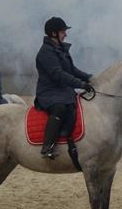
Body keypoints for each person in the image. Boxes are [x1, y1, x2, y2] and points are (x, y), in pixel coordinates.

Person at [34, 17, 94, 159]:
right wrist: (80, 84)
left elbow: (72, 70)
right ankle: (47, 146)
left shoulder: (61, 49)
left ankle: (70, 140)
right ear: (54, 33)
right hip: (49, 92)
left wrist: (90, 78)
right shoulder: (45, 52)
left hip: (63, 90)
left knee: (76, 105)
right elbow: (58, 74)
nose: (65, 34)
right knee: (60, 107)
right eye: (63, 32)